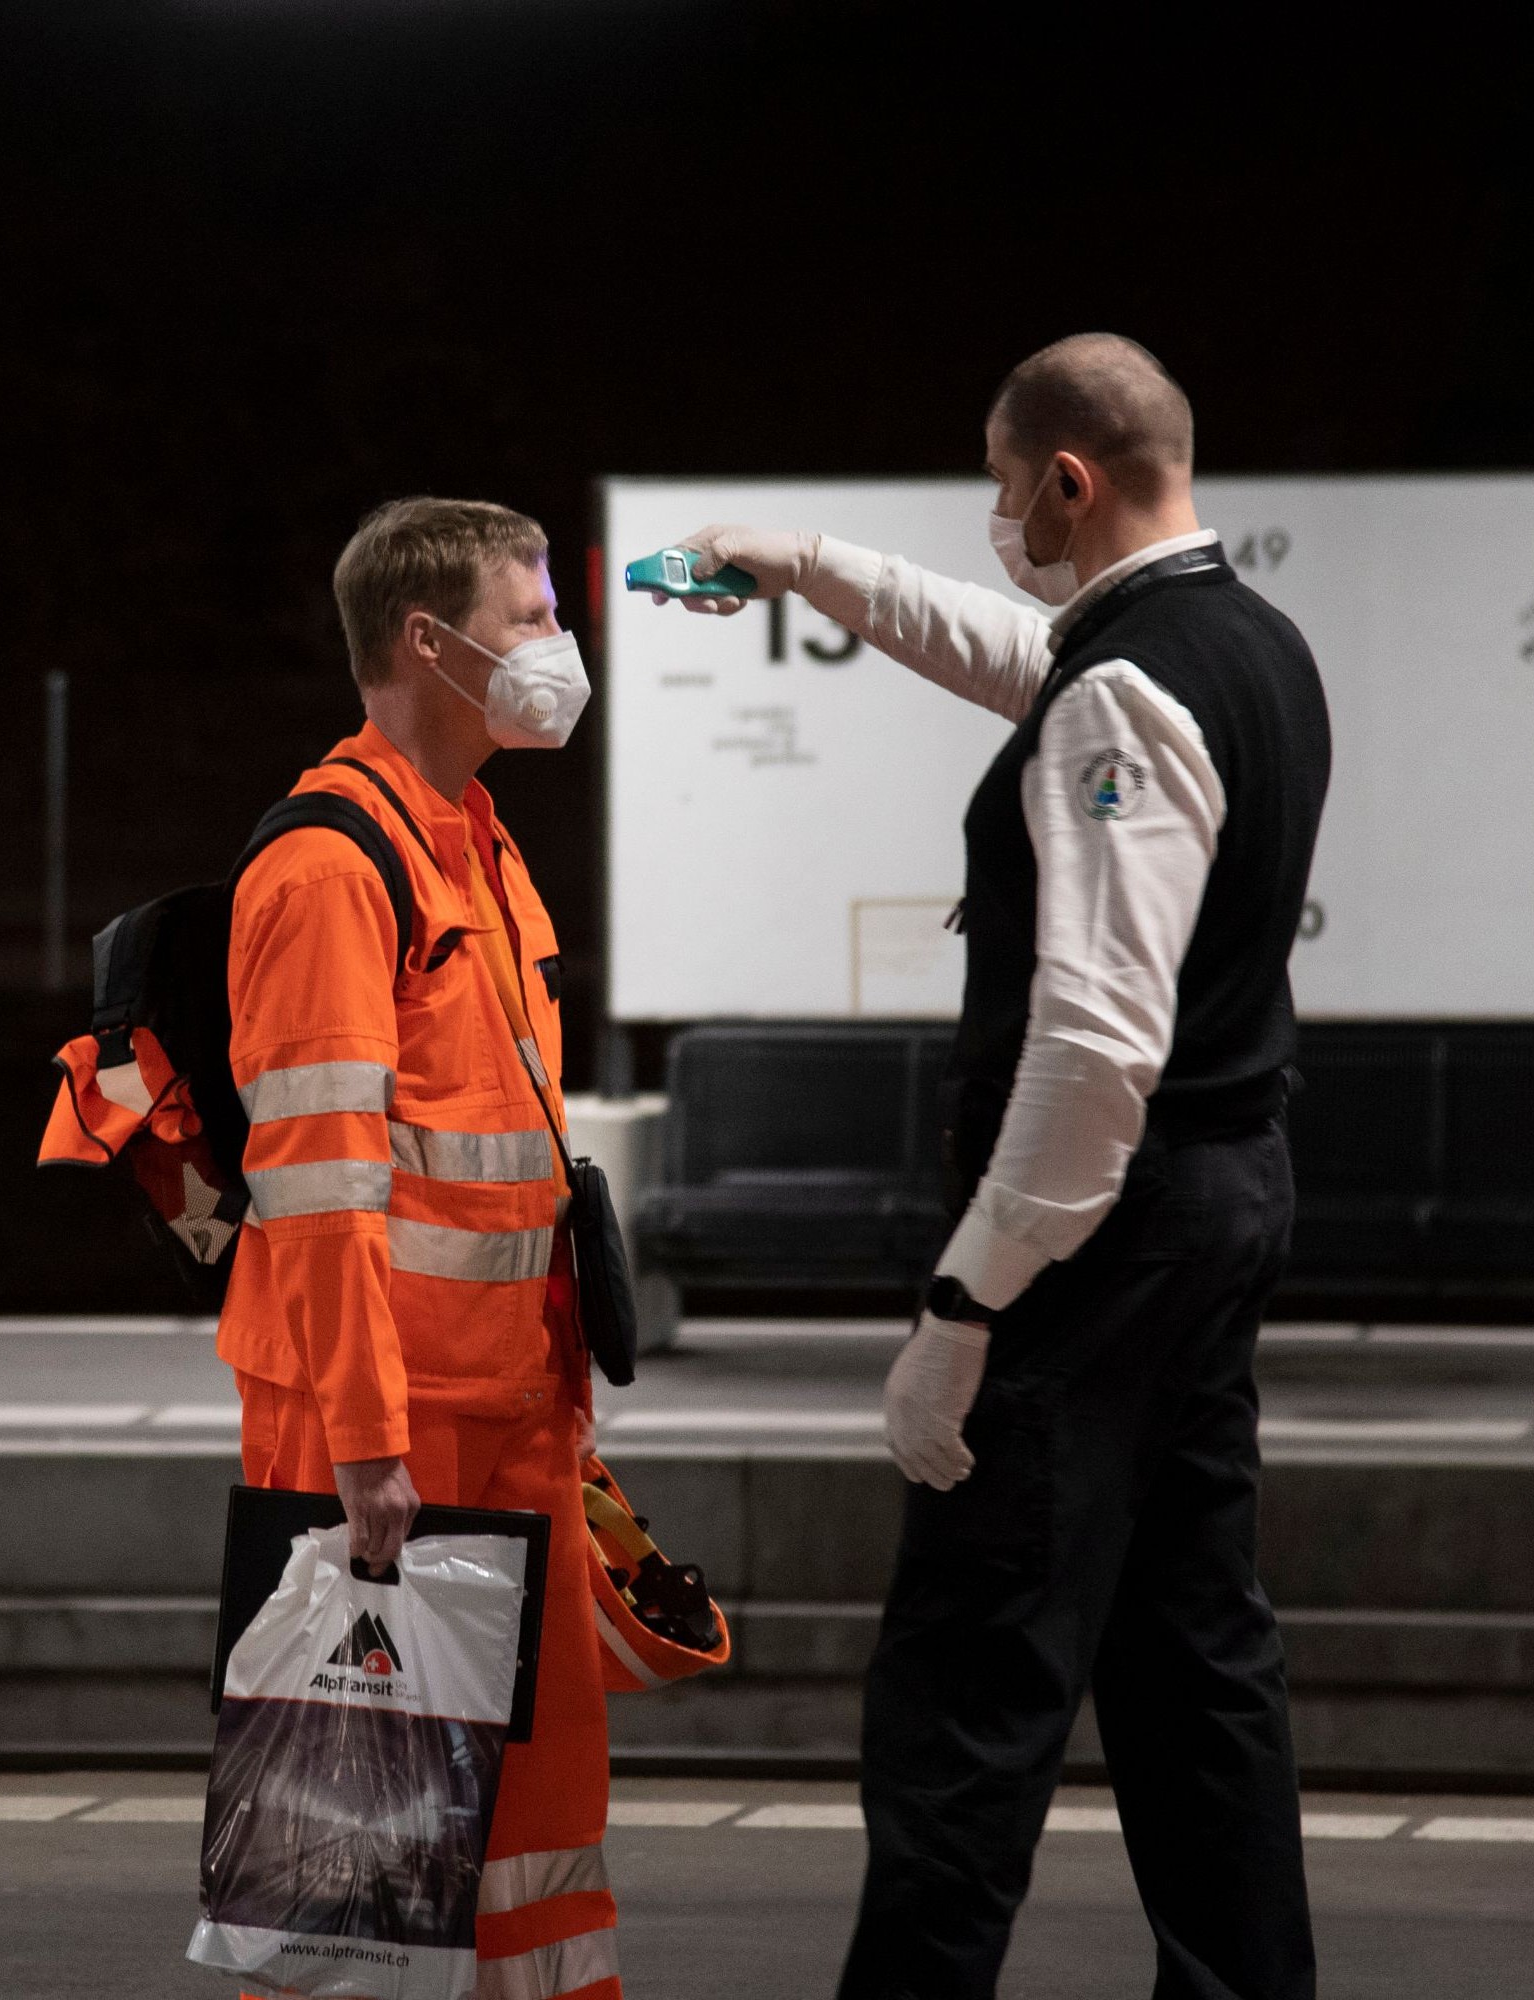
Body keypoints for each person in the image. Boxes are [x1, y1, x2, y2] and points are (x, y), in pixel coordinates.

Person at [657, 332, 1331, 2000]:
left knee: (970, 1683)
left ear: (1065, 479)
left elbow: (1095, 1044)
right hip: (1225, 1198)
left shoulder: (1127, 688)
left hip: (1110, 1233)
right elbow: (1025, 654)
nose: (995, 512)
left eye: (997, 479)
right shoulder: (1246, 646)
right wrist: (802, 563)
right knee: (1195, 1670)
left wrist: (969, 1299)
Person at [218, 497, 620, 2000]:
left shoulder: (476, 842)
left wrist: (559, 1404)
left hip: (507, 1417)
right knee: (355, 1866)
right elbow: (323, 1191)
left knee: (528, 1829)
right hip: (392, 1435)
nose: (558, 653)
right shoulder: (333, 867)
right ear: (424, 641)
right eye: (531, 622)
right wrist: (367, 1443)